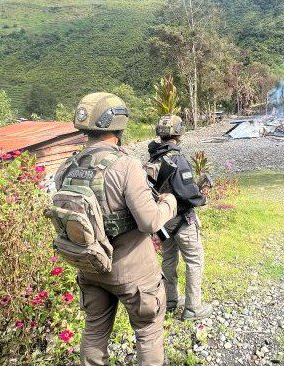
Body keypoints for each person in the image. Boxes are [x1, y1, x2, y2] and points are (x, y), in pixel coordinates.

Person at [54, 92, 177, 366]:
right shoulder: (126, 165)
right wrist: (169, 202)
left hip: (89, 266)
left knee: (95, 331)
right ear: (118, 125)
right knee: (147, 333)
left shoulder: (66, 167)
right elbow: (150, 222)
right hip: (131, 270)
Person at [146, 114, 211, 320]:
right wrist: (202, 198)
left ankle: (171, 301)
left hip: (163, 221)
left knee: (169, 259)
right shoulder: (177, 159)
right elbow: (186, 193)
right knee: (194, 260)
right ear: (179, 132)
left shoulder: (154, 157)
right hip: (182, 219)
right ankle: (193, 308)